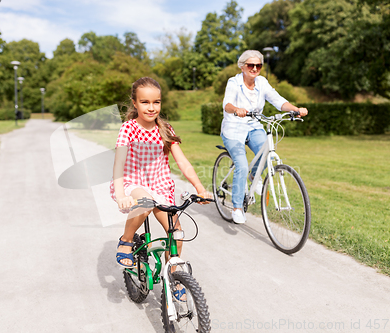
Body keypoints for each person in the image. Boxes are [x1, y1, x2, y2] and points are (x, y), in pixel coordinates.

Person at [111, 77, 211, 272]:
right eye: (145, 102)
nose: (151, 107)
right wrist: (120, 194)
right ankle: (126, 240)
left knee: (177, 234)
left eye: (156, 102)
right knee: (145, 202)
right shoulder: (129, 128)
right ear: (135, 103)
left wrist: (199, 188)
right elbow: (119, 163)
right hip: (134, 183)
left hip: (160, 185)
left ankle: (172, 277)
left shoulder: (165, 129)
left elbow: (182, 161)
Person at [221, 50, 308, 224]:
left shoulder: (261, 82)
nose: (254, 68)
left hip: (253, 126)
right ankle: (237, 207)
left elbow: (277, 100)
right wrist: (236, 109)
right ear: (242, 66)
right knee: (242, 165)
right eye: (250, 65)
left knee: (267, 152)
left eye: (258, 65)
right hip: (234, 128)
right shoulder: (234, 82)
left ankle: (255, 176)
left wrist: (295, 109)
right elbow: (227, 104)